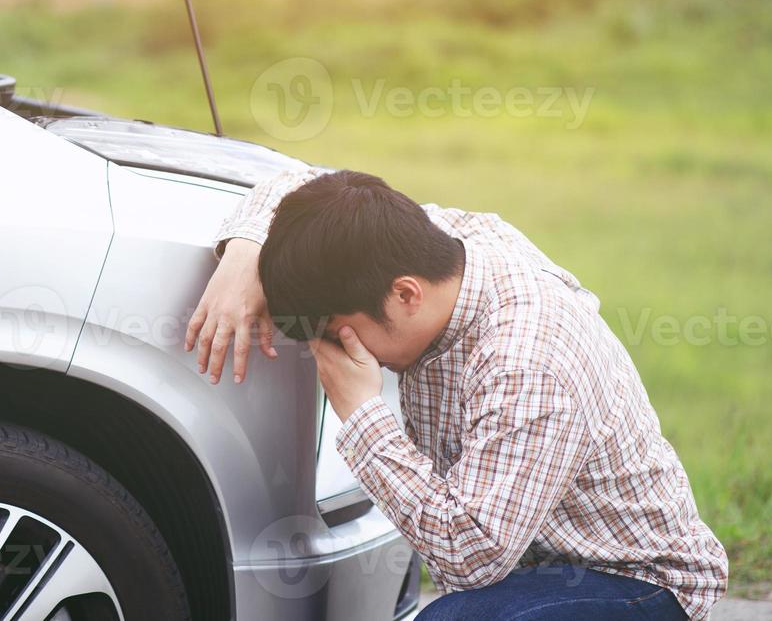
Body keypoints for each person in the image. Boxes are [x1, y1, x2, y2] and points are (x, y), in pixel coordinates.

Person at [185, 167, 728, 621]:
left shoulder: (528, 361)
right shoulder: (433, 243)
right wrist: (244, 255)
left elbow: (469, 555)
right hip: (527, 567)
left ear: (404, 295)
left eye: (336, 331)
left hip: (635, 581)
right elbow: (305, 185)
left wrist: (363, 414)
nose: (334, 352)